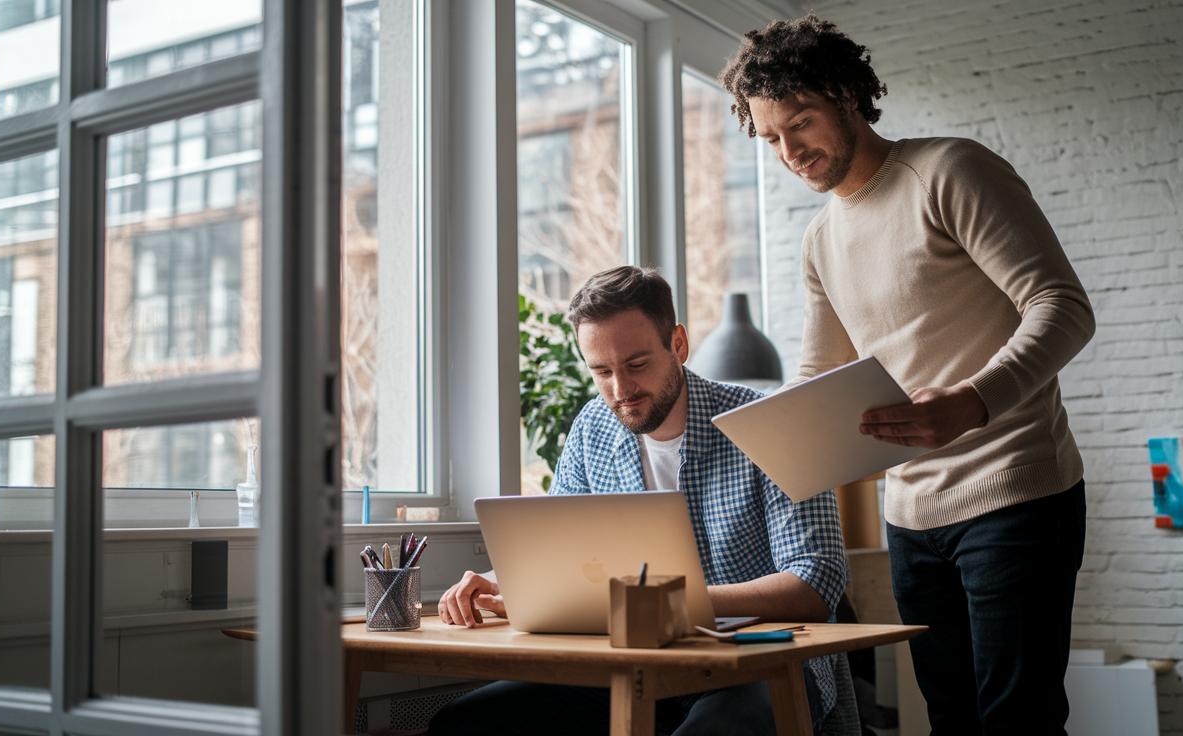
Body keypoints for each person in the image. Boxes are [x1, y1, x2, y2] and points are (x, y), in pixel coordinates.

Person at [720, 14, 1096, 736]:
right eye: (771, 138)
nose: (790, 151)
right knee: (949, 719)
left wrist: (976, 401)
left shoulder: (950, 170)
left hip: (1016, 491)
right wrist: (778, 441)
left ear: (847, 96)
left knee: (1018, 719)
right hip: (911, 515)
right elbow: (818, 374)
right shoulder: (820, 238)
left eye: (801, 123)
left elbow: (1062, 305)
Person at [430, 266, 847, 736]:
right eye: (602, 372)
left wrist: (666, 606)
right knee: (462, 723)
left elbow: (816, 583)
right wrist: (496, 581)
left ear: (679, 345)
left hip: (755, 666)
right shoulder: (592, 428)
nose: (621, 391)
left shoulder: (774, 424)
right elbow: (559, 553)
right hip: (630, 667)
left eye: (636, 364)